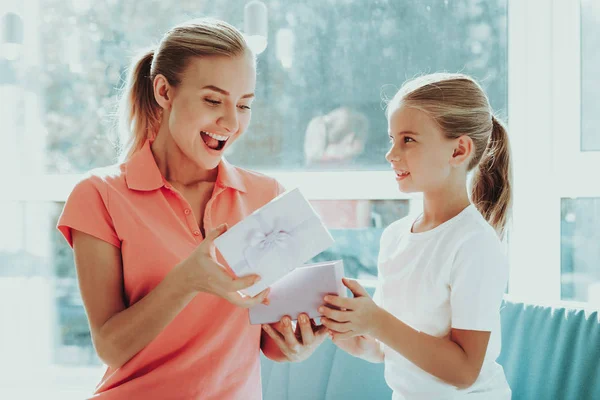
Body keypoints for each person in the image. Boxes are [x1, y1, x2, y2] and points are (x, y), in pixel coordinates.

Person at [57, 18, 327, 400]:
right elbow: (111, 347)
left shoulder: (266, 195)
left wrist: (293, 345)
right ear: (164, 91)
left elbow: (263, 336)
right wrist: (186, 281)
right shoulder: (98, 195)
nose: (231, 122)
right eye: (213, 100)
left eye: (244, 105)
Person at [319, 73, 513, 399]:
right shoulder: (395, 237)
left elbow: (465, 371)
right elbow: (388, 349)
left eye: (408, 140)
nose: (391, 153)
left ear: (458, 150)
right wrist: (352, 333)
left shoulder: (474, 243)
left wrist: (378, 322)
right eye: (392, 138)